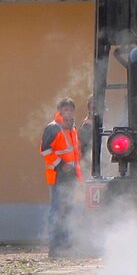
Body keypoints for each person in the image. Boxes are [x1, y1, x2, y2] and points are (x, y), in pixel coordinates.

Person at [40, 97, 83, 257]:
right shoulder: (53, 128)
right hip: (57, 175)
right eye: (65, 109)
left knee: (68, 210)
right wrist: (60, 165)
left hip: (70, 176)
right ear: (60, 111)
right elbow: (45, 150)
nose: (69, 112)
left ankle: (65, 244)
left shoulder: (72, 129)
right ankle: (55, 246)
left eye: (71, 109)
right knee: (57, 210)